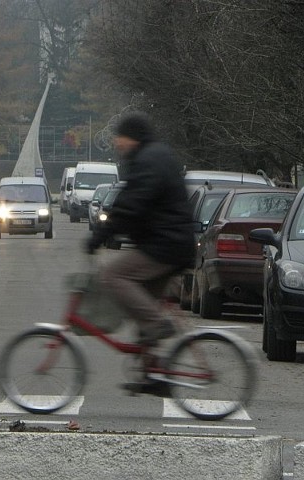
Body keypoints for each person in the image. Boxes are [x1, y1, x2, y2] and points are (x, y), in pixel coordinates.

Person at [87, 111, 196, 392]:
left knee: (113, 276)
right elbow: (133, 203)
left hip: (165, 245)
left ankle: (158, 327)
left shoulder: (148, 161)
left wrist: (100, 235)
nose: (116, 144)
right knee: (143, 304)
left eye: (119, 138)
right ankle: (156, 374)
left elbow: (131, 205)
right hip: (168, 244)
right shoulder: (152, 157)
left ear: (132, 138)